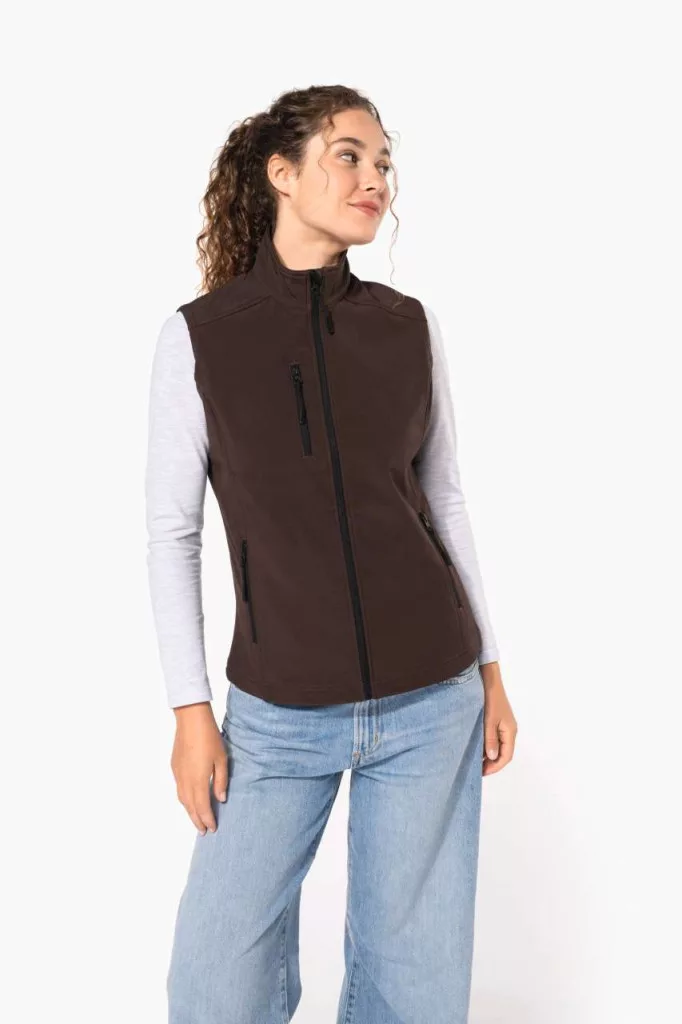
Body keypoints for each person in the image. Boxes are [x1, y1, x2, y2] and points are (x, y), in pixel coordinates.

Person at [145, 84, 518, 1024]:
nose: (373, 178)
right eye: (349, 155)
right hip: (277, 713)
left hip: (432, 697)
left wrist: (489, 668)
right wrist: (191, 710)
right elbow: (173, 533)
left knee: (413, 987)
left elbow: (444, 498)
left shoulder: (406, 325)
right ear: (282, 173)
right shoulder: (202, 338)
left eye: (383, 162)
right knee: (215, 983)